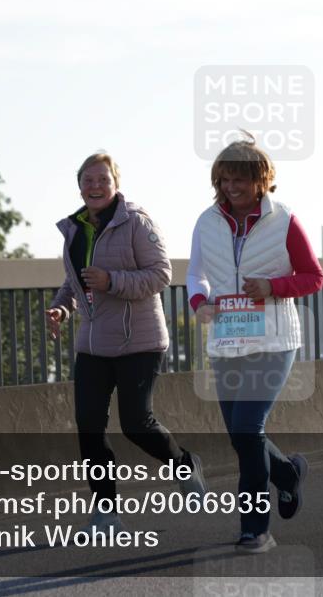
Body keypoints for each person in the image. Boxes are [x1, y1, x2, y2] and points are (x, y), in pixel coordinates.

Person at [46, 151, 206, 533]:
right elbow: (75, 280)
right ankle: (106, 512)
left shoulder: (136, 222)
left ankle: (183, 464)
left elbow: (161, 275)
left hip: (141, 341)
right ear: (79, 185)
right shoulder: (76, 228)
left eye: (103, 179)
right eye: (88, 179)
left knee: (136, 423)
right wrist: (60, 309)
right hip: (93, 343)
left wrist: (113, 281)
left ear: (116, 184)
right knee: (89, 425)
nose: (95, 186)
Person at [187, 135, 323, 553]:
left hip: (274, 340)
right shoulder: (206, 222)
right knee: (243, 435)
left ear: (261, 179)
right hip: (226, 341)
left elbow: (313, 277)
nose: (231, 187)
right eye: (224, 179)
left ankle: (255, 529)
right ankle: (287, 474)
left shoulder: (284, 221)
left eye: (240, 179)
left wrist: (272, 286)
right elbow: (196, 274)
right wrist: (199, 303)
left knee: (248, 429)